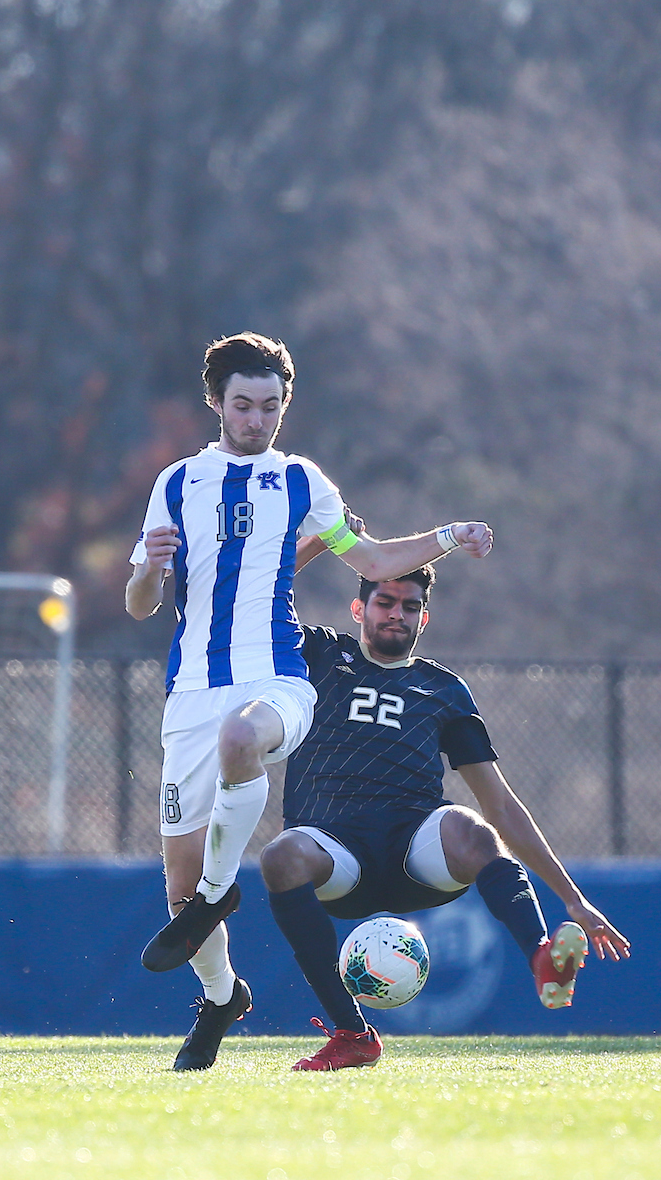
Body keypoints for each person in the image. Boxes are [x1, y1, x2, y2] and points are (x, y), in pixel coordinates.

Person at [125, 331, 493, 1071]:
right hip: (190, 690)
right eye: (243, 405)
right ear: (216, 403)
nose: (257, 420)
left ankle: (218, 895)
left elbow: (378, 559)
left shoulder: (299, 481)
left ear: (284, 405)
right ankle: (221, 998)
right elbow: (138, 604)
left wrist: (450, 536)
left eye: (270, 406)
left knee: (242, 739)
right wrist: (151, 574)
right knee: (176, 885)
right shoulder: (176, 483)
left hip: (275, 680)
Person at [259, 558, 631, 1072]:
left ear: (424, 619)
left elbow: (499, 802)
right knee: (280, 856)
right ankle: (351, 1034)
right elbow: (259, 601)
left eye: (410, 607)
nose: (397, 614)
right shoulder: (320, 655)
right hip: (336, 853)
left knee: (471, 824)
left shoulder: (444, 691)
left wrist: (575, 900)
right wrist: (321, 539)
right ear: (358, 608)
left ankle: (543, 958)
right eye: (384, 602)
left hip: (416, 853)